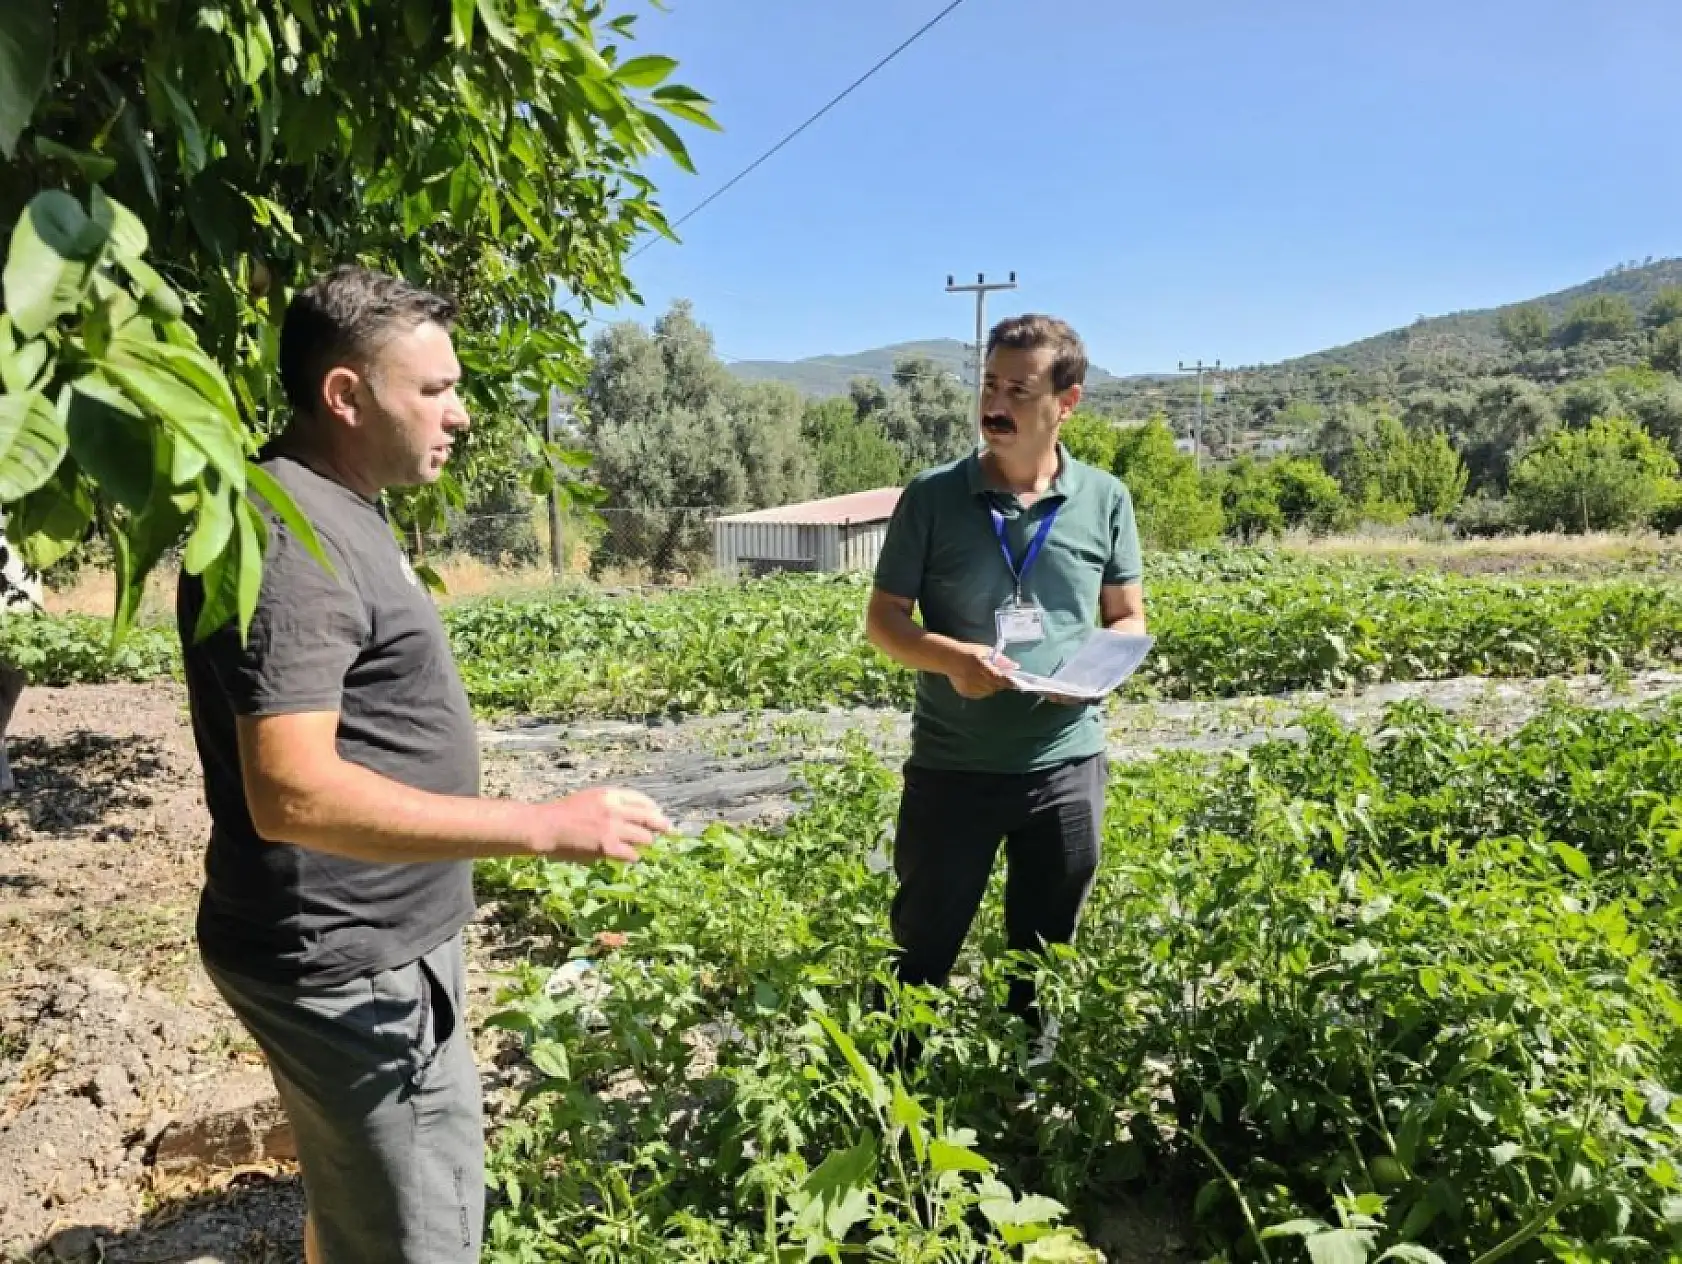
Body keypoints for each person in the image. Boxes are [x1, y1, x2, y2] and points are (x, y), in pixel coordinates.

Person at [176, 265, 672, 1264]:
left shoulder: (333, 503)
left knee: (358, 1204)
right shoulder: (292, 534)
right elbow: (292, 790)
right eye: (434, 390)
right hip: (354, 962)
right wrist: (541, 823)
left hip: (366, 942)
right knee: (419, 1238)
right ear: (345, 396)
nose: (463, 412)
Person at [863, 313, 1145, 1067]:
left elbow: (1124, 615)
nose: (996, 403)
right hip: (953, 768)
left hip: (1064, 767)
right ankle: (889, 1100)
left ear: (1068, 401)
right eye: (990, 384)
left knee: (1043, 959)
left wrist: (1095, 675)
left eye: (1019, 389)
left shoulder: (1106, 499)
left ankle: (1029, 1095)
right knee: (920, 950)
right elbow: (884, 623)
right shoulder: (931, 498)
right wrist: (952, 658)